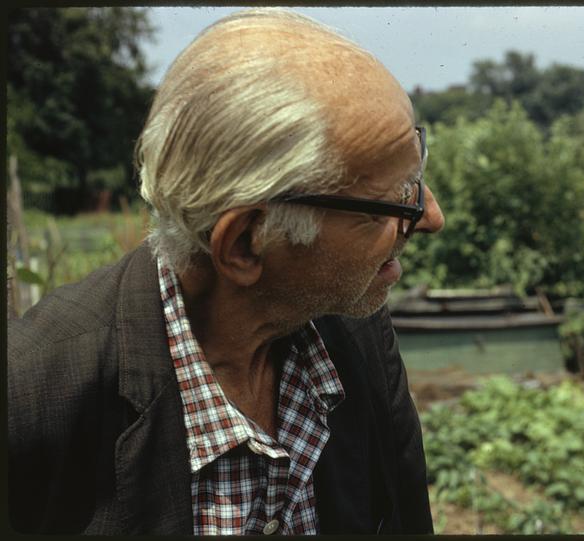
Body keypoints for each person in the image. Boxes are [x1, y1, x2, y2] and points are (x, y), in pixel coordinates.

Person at [7, 8, 445, 535]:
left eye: (413, 181)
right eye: (390, 204)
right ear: (244, 245)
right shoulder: (29, 403)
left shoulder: (352, 329)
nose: (431, 218)